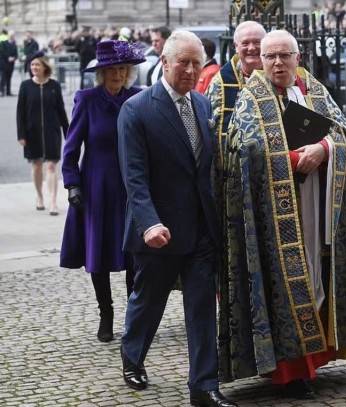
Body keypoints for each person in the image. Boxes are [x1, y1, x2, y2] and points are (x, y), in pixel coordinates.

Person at [220, 30, 346, 399]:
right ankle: (292, 367)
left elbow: (345, 135)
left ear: (298, 57)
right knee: (284, 285)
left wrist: (323, 148)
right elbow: (240, 151)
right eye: (270, 57)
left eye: (284, 55)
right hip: (273, 219)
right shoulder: (251, 99)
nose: (277, 63)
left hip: (318, 207)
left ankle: (318, 355)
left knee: (318, 275)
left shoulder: (315, 91)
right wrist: (289, 161)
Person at [117, 30, 236, 407]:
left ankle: (203, 386)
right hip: (159, 231)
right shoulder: (137, 109)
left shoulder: (202, 105)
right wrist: (149, 223)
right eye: (181, 62)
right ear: (164, 62)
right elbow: (134, 177)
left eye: (195, 63)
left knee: (202, 308)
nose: (189, 69)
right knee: (148, 300)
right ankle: (132, 354)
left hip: (201, 229)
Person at [60, 40, 146, 343]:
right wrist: (72, 184)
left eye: (123, 69)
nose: (118, 75)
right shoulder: (87, 100)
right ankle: (106, 313)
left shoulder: (137, 99)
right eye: (112, 70)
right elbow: (70, 150)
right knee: (99, 252)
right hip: (97, 185)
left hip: (131, 185)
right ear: (102, 73)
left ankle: (133, 317)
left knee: (134, 254)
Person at [204, 20, 265, 175]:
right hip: (232, 171)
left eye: (257, 42)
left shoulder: (279, 76)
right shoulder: (220, 83)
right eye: (245, 43)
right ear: (236, 47)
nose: (251, 48)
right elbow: (210, 130)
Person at [16, 51, 69, 215]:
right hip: (32, 133)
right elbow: (20, 112)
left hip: (51, 131)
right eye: (32, 65)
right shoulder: (25, 86)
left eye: (37, 64)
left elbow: (61, 110)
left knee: (52, 166)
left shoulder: (54, 86)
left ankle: (53, 202)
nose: (34, 67)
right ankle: (39, 197)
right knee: (37, 166)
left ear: (45, 67)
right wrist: (21, 134)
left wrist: (69, 133)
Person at [0, 31, 17, 96]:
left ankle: (8, 92)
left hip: (11, 64)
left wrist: (14, 58)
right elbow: (2, 52)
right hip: (4, 63)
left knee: (9, 78)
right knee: (3, 78)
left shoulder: (14, 45)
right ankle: (1, 91)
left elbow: (16, 54)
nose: (12, 36)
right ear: (8, 36)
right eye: (11, 35)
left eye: (13, 35)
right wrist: (8, 58)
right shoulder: (3, 43)